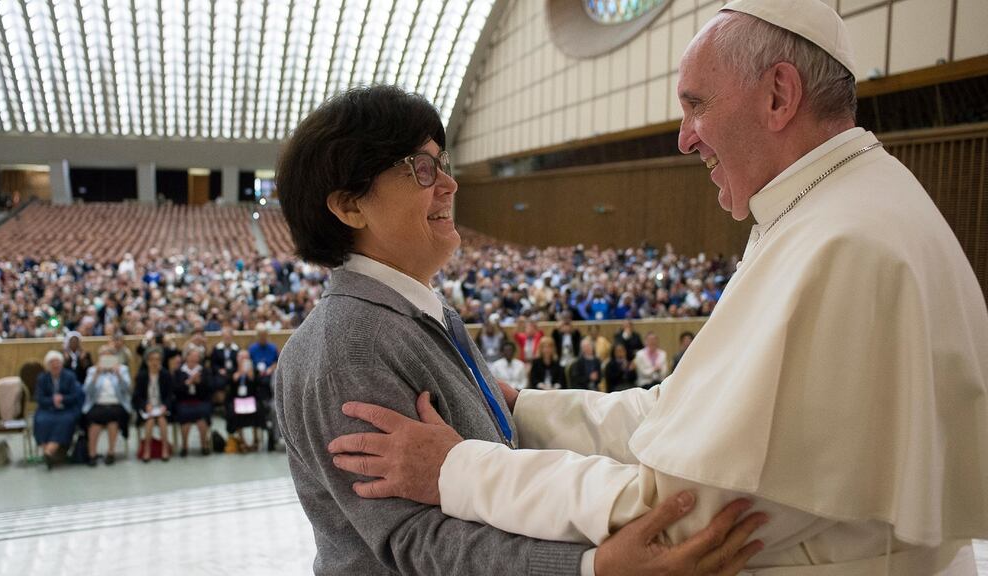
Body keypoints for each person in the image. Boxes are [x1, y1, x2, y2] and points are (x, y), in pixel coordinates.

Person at [327, 2, 988, 573]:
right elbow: (681, 415)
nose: (683, 138)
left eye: (695, 104)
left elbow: (680, 518)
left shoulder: (841, 244)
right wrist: (522, 408)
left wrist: (457, 471)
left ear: (778, 96)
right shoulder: (836, 209)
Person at [273, 85, 763, 576]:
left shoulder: (419, 313)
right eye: (420, 169)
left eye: (443, 163)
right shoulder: (347, 344)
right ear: (350, 206)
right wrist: (589, 568)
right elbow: (415, 542)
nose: (449, 185)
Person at [82, 347, 133, 466]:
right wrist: (96, 375)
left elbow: (127, 389)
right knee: (94, 419)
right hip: (98, 403)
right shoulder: (92, 370)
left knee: (113, 418)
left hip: (116, 403)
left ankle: (111, 452)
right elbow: (87, 391)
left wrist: (118, 374)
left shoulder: (123, 369)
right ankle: (92, 453)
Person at [33, 350, 83, 469]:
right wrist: (52, 400)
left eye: (57, 362)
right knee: (41, 421)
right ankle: (49, 453)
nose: (55, 365)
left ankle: (49, 452)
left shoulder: (70, 376)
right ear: (48, 365)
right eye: (52, 363)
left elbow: (75, 396)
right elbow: (39, 398)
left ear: (61, 364)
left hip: (66, 408)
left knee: (65, 421)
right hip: (47, 408)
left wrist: (62, 399)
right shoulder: (42, 378)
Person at [132, 347, 174, 462]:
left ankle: (165, 449)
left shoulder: (165, 375)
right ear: (147, 361)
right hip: (148, 408)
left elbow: (170, 395)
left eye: (157, 360)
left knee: (161, 420)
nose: (155, 362)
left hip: (161, 407)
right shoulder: (142, 376)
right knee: (150, 421)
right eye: (152, 360)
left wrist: (165, 406)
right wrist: (145, 405)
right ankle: (147, 450)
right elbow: (136, 397)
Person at [173, 346, 212, 457]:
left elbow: (209, 389)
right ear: (187, 357)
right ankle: (184, 446)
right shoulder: (179, 371)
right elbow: (176, 390)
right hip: (184, 401)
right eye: (192, 356)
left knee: (202, 415)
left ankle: (204, 445)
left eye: (197, 356)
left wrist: (199, 383)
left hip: (200, 400)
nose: (195, 358)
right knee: (185, 416)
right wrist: (188, 382)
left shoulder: (204, 371)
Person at [225, 350, 265, 452]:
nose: (243, 360)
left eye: (245, 358)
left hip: (251, 398)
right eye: (241, 358)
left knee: (258, 409)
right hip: (237, 399)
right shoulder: (232, 370)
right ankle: (241, 440)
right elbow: (228, 384)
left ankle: (256, 439)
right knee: (233, 412)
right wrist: (238, 375)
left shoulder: (254, 370)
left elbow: (260, 385)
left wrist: (251, 377)